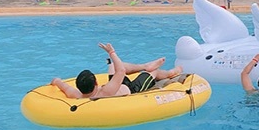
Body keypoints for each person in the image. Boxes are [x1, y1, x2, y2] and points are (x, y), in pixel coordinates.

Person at [51, 42, 184, 99]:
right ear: (96, 83)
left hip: (117, 85)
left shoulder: (77, 95)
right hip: (132, 89)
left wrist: (56, 81)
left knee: (112, 66)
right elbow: (121, 72)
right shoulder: (104, 92)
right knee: (152, 73)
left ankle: (145, 65)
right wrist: (112, 52)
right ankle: (169, 73)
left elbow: (62, 85)